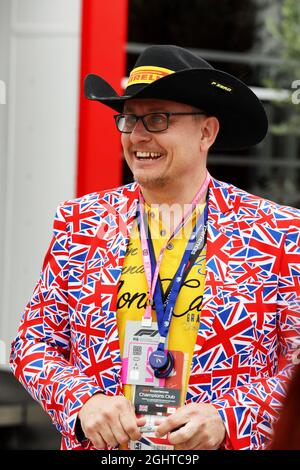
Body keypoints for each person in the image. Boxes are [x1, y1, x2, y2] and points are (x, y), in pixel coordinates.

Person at [10, 45, 300, 451]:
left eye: (158, 118)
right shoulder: (81, 222)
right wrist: (83, 403)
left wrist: (229, 419)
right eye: (129, 120)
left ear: (206, 132)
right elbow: (33, 342)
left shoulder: (277, 233)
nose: (138, 135)